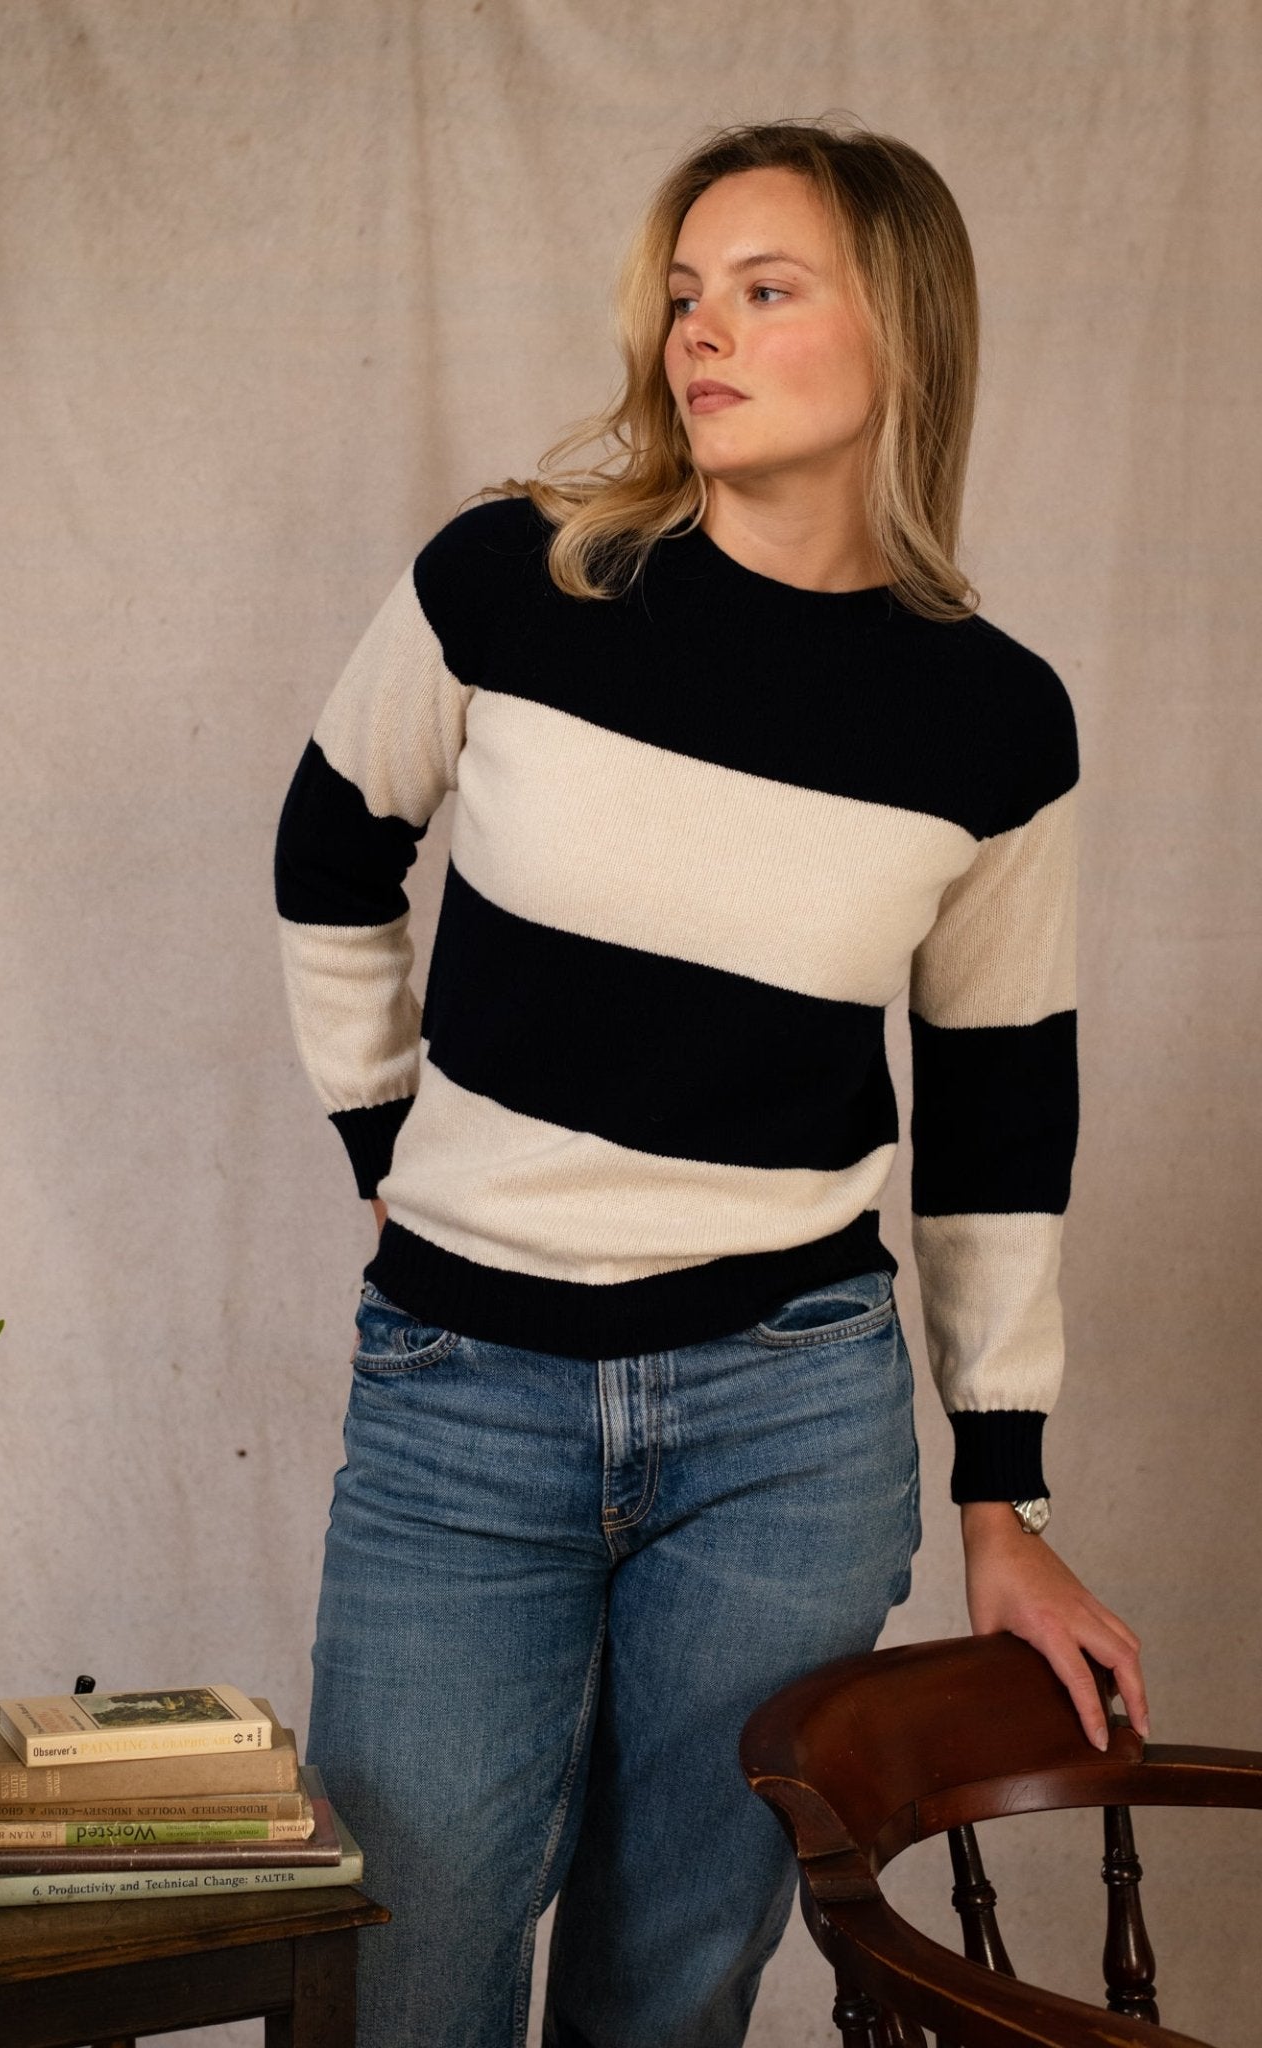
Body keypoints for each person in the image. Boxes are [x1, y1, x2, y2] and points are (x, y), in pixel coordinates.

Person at [273, 117, 1149, 2048]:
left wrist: (1000, 1499)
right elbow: (332, 847)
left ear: (900, 339)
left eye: (765, 290)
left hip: (788, 1432)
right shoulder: (517, 577)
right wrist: (385, 1147)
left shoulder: (994, 719)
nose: (702, 335)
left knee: (669, 2000)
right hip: (463, 1405)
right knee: (395, 1976)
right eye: (686, 294)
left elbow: (1002, 1112)